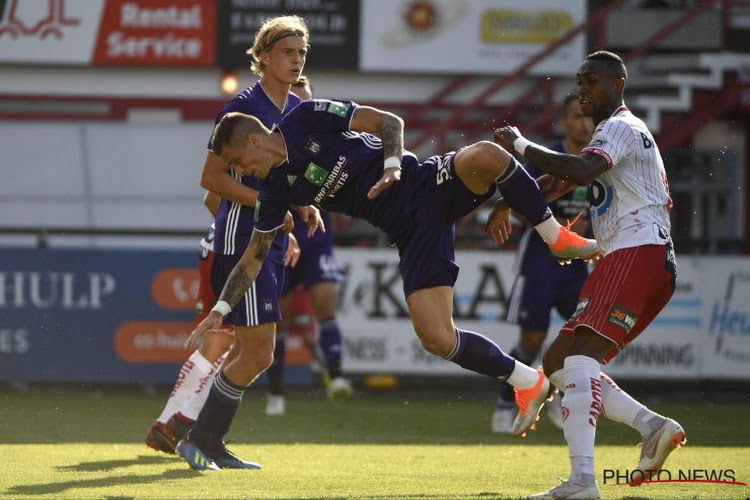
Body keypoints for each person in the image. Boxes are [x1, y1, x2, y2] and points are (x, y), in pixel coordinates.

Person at [179, 94, 600, 471]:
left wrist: (393, 166)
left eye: (235, 163)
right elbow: (253, 257)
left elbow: (389, 122)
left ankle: (556, 238)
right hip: (409, 231)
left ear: (252, 141)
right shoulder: (273, 191)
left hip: (424, 184)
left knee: (488, 154)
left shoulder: (305, 118)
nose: (238, 173)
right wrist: (219, 311)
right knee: (436, 337)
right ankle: (528, 381)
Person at [492, 50, 684, 499]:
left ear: (617, 84)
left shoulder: (620, 126)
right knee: (560, 361)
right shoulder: (612, 133)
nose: (582, 90)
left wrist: (519, 145)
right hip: (632, 256)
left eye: (591, 82)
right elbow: (559, 183)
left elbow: (579, 168)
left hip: (637, 254)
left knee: (579, 360)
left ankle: (582, 482)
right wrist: (509, 197)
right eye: (579, 82)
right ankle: (653, 427)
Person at [148, 15, 318, 471]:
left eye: (301, 52)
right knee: (256, 352)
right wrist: (269, 203)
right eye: (287, 51)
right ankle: (196, 437)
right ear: (262, 57)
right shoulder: (241, 109)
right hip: (239, 240)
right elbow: (210, 180)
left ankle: (200, 437)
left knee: (248, 351)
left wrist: (301, 206)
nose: (296, 59)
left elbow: (288, 178)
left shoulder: (294, 109)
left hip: (268, 240)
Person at [491, 93, 594, 434]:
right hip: (540, 257)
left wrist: (589, 230)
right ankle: (507, 402)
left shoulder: (600, 160)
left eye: (588, 117)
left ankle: (561, 396)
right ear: (564, 122)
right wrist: (551, 226)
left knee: (582, 336)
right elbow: (518, 198)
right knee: (532, 340)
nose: (583, 123)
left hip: (578, 263)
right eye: (576, 116)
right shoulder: (546, 157)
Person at [265, 76, 352, 417]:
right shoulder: (274, 139)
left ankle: (337, 377)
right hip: (281, 232)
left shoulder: (329, 136)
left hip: (317, 235)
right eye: (294, 102)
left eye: (305, 102)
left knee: (325, 303)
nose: (300, 109)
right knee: (280, 318)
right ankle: (275, 392)